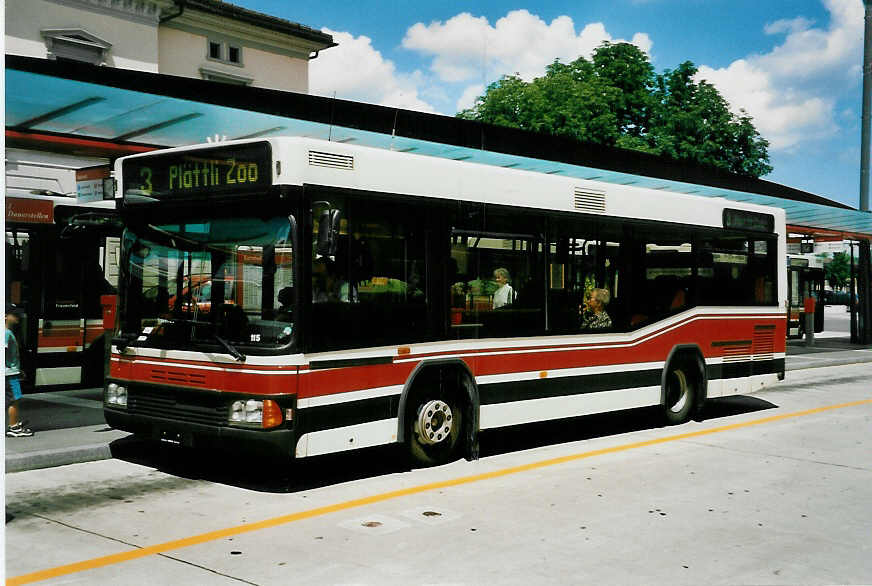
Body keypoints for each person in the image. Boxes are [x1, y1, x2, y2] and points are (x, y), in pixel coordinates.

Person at [6, 305, 33, 437]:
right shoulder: (6, 333)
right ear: (5, 316)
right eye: (14, 315)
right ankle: (13, 427)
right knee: (14, 400)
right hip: (10, 374)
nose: (18, 317)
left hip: (11, 372)